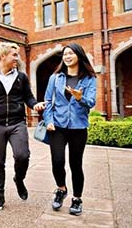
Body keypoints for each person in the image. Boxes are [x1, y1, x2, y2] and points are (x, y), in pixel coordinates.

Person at [0, 41, 45, 211]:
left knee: (22, 156)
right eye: (14, 55)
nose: (17, 58)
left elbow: (28, 97)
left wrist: (35, 105)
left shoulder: (21, 77)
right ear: (3, 56)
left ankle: (19, 179)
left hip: (17, 122)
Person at [43, 43, 96, 216]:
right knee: (57, 162)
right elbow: (48, 101)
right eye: (65, 54)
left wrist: (80, 98)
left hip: (78, 127)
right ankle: (61, 189)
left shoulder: (89, 78)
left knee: (76, 164)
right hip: (57, 126)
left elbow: (91, 102)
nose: (67, 56)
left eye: (71, 53)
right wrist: (48, 120)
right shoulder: (56, 77)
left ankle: (77, 198)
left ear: (79, 56)